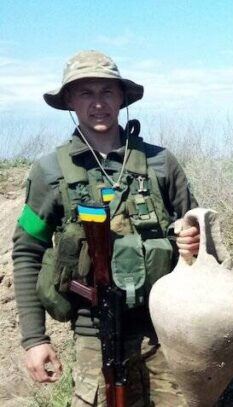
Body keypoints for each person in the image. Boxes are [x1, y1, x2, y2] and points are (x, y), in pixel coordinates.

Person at [12, 50, 200, 406]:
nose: (98, 103)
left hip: (165, 333)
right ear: (70, 100)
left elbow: (198, 229)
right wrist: (35, 340)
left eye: (107, 92)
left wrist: (192, 241)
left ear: (122, 97)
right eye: (86, 93)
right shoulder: (49, 171)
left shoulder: (161, 163)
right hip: (94, 338)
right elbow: (27, 251)